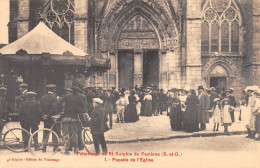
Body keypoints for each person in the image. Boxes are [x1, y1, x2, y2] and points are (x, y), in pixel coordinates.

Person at [59, 86, 86, 154]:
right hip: (75, 118)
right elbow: (84, 108)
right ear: (78, 91)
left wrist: (61, 110)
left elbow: (59, 102)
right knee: (74, 133)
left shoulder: (67, 96)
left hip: (66, 117)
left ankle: (66, 149)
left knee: (65, 133)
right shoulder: (81, 97)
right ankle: (76, 149)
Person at [40, 84, 58, 152]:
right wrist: (49, 115)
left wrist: (43, 115)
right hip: (52, 117)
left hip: (45, 118)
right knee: (54, 131)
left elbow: (40, 107)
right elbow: (54, 108)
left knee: (46, 132)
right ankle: (55, 147)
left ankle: (44, 147)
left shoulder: (43, 97)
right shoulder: (54, 97)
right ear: (53, 89)